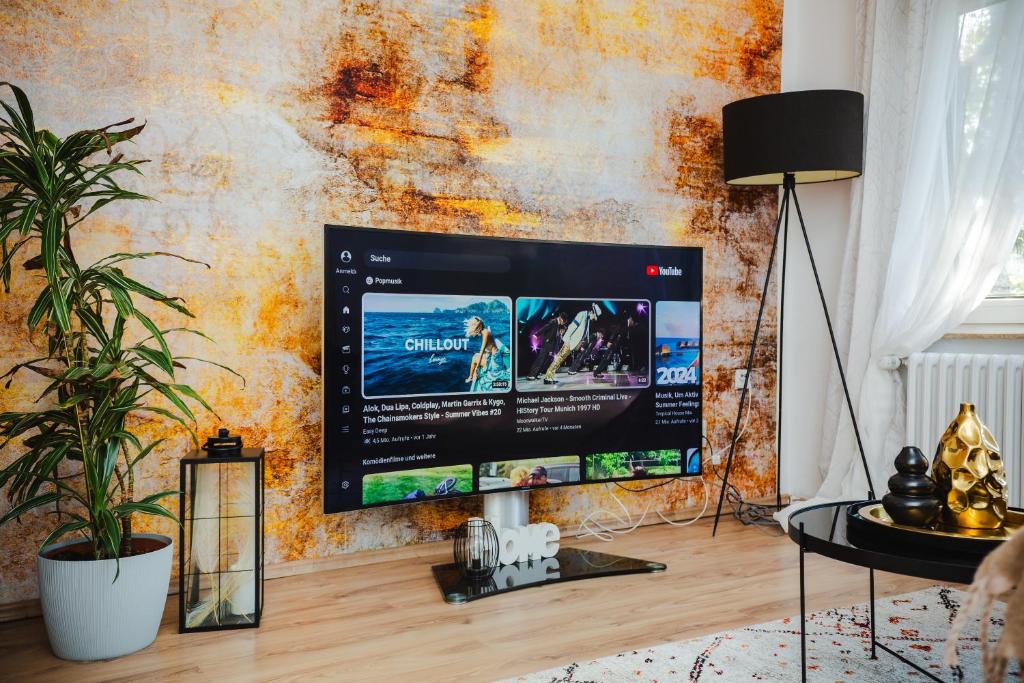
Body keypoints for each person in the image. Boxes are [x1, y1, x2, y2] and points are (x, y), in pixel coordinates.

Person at [543, 304, 600, 385]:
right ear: (592, 312)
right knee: (559, 358)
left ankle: (549, 377)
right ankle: (547, 378)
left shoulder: (587, 318)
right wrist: (567, 340)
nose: (594, 318)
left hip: (573, 343)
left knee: (560, 359)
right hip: (569, 342)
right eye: (594, 316)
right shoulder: (582, 315)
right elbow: (572, 327)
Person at [464, 316, 510, 392]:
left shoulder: (486, 333)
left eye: (476, 327)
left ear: (479, 326)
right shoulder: (485, 331)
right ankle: (470, 376)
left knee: (475, 357)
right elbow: (488, 349)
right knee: (475, 356)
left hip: (495, 361)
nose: (475, 331)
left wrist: (476, 368)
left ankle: (470, 376)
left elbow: (482, 350)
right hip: (492, 357)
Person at [526, 312, 566, 380]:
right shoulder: (553, 321)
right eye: (564, 322)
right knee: (540, 359)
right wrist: (537, 334)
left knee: (544, 361)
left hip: (551, 346)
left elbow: (563, 327)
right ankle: (531, 375)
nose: (564, 323)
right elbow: (545, 327)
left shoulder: (559, 324)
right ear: (561, 319)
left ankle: (536, 374)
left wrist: (563, 329)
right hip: (546, 344)